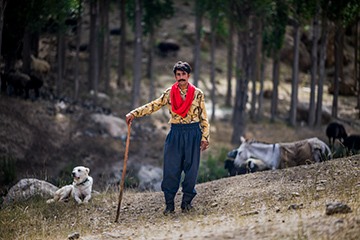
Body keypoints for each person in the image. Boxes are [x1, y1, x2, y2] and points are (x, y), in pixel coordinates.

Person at [126, 61, 210, 215]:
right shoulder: (169, 93)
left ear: (188, 76)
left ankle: (186, 203)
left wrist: (205, 137)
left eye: (183, 74)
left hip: (193, 133)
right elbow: (154, 105)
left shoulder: (198, 93)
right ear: (175, 76)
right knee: (171, 169)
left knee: (192, 170)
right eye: (178, 74)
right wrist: (134, 113)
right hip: (175, 133)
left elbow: (204, 117)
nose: (181, 77)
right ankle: (169, 205)